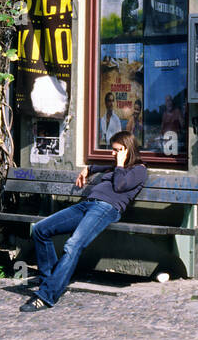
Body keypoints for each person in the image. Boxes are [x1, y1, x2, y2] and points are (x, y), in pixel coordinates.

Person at [20, 132, 147, 313]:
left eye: (117, 150)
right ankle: (50, 281)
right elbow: (101, 167)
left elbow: (120, 186)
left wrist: (119, 164)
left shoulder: (139, 170)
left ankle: (46, 296)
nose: (113, 154)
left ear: (128, 150)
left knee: (73, 245)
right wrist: (89, 168)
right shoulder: (113, 167)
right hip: (87, 205)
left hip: (106, 209)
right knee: (41, 229)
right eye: (112, 150)